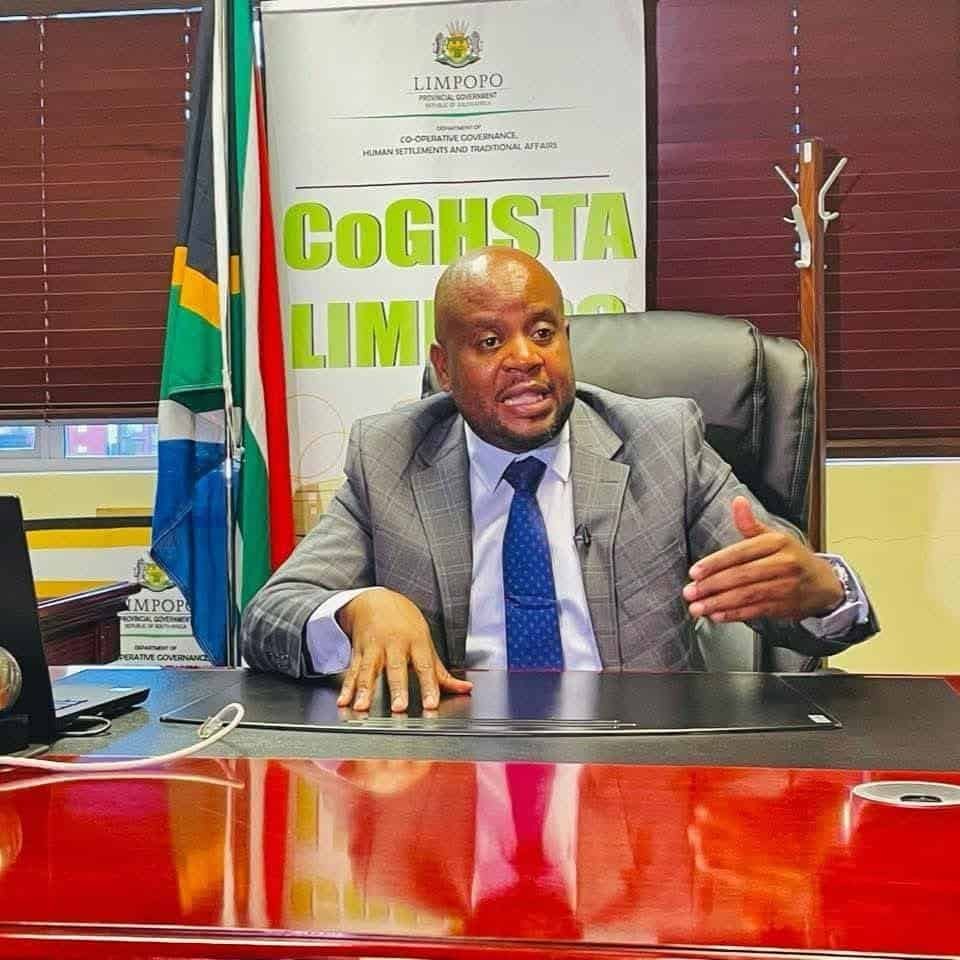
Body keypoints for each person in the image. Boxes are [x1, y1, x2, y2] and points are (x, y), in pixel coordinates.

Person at [241, 248, 876, 710]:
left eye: (543, 333)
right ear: (444, 367)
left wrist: (825, 589)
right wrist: (356, 609)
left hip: (642, 766)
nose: (525, 358)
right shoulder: (390, 459)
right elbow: (268, 617)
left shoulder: (663, 443)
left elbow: (777, 582)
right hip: (456, 771)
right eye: (489, 342)